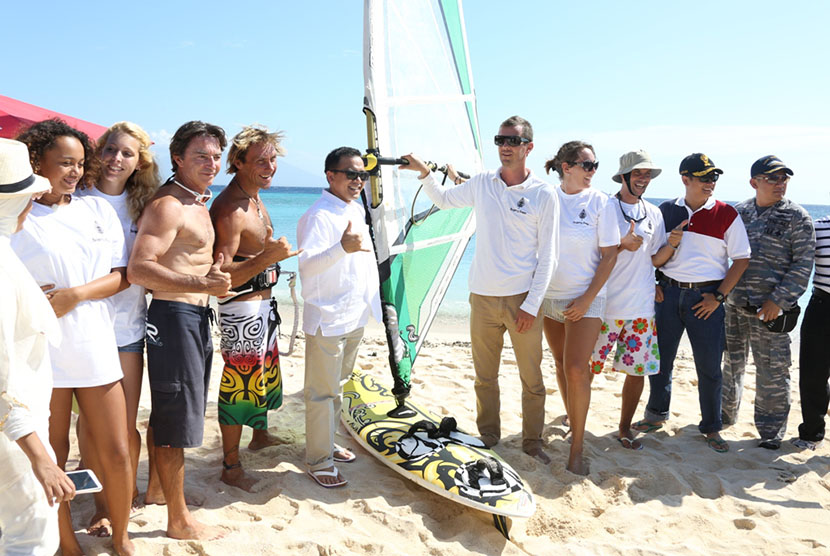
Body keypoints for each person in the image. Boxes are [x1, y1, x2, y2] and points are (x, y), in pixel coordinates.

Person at [401, 115, 559, 465]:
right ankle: (488, 435)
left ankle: (533, 440)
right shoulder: (483, 184)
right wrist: (424, 172)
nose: (505, 147)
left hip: (523, 300)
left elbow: (549, 255)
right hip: (482, 297)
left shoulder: (544, 194)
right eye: (500, 140)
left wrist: (532, 305)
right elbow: (443, 200)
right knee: (484, 376)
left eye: (513, 141)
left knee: (531, 377)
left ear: (528, 148)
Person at [12, 120, 135, 556]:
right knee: (54, 454)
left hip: (95, 342)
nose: (75, 173)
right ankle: (66, 544)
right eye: (65, 163)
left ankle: (122, 539)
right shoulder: (17, 217)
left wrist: (73, 296)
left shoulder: (96, 209)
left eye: (80, 164)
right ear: (35, 162)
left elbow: (123, 275)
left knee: (118, 449)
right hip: (43, 351)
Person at [127, 121, 231, 540]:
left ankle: (156, 491)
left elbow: (195, 266)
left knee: (169, 414)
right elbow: (139, 269)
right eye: (201, 156)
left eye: (215, 156)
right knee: (175, 421)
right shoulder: (170, 204)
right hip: (173, 317)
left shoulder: (197, 202)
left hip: (194, 317)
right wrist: (202, 285)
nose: (211, 163)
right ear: (178, 159)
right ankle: (179, 521)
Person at [633, 153, 750, 454]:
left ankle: (711, 427)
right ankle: (656, 415)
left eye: (714, 177)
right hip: (668, 295)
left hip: (706, 299)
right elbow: (650, 254)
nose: (711, 182)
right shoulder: (666, 211)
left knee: (710, 367)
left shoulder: (727, 214)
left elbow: (742, 258)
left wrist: (719, 297)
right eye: (704, 177)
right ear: (686, 179)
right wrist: (654, 283)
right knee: (661, 363)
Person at [77, 121, 161, 532]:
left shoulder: (145, 206)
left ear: (139, 162)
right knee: (89, 424)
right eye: (110, 149)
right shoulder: (75, 198)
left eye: (126, 153)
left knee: (123, 424)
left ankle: (121, 496)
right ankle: (99, 505)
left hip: (128, 327)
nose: (115, 159)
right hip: (81, 328)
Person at [209, 125, 300, 491]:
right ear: (238, 162)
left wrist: (271, 260)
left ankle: (259, 436)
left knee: (259, 381)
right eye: (260, 160)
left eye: (272, 158)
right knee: (238, 388)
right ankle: (230, 466)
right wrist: (267, 257)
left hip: (262, 307)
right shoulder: (231, 207)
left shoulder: (255, 198)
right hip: (241, 311)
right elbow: (221, 273)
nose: (269, 166)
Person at [0, 137, 76, 556]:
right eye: (28, 198)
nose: (33, 206)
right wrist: (40, 457)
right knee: (32, 536)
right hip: (12, 434)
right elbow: (3, 382)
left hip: (17, 429)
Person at [297, 146, 381, 487]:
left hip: (354, 314)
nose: (358, 180)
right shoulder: (318, 216)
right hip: (327, 317)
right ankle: (318, 461)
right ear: (331, 175)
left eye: (362, 174)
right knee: (321, 392)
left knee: (339, 387)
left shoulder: (354, 208)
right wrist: (340, 248)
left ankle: (326, 443)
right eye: (351, 174)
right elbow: (306, 265)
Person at [720, 156, 815, 449]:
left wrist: (779, 300)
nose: (780, 184)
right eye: (772, 178)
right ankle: (724, 418)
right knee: (730, 365)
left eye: (784, 178)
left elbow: (803, 264)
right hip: (733, 307)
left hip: (770, 312)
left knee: (773, 372)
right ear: (754, 182)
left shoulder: (797, 217)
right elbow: (720, 254)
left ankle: (771, 434)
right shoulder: (738, 213)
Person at [589, 150, 680, 451]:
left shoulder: (653, 213)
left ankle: (625, 427)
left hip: (641, 309)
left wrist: (673, 246)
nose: (644, 179)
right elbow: (593, 254)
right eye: (639, 173)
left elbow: (653, 259)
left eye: (648, 174)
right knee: (586, 368)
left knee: (636, 373)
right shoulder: (604, 207)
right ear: (624, 175)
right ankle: (575, 419)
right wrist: (621, 244)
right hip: (604, 305)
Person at [543, 141, 619, 475]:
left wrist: (587, 299)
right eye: (586, 165)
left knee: (577, 367)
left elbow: (610, 254)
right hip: (549, 297)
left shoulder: (601, 202)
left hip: (586, 299)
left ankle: (577, 448)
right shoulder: (547, 198)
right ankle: (573, 419)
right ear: (566, 166)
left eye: (594, 166)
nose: (591, 172)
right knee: (560, 365)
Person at [794, 212, 830, 450]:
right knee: (813, 374)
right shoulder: (817, 228)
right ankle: (812, 433)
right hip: (822, 306)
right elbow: (797, 262)